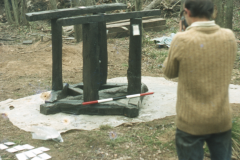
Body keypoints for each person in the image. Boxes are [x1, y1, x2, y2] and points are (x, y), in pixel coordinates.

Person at [162, 0, 237, 159]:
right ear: (213, 12)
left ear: (186, 12)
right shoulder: (229, 37)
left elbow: (169, 72)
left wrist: (177, 41)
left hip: (190, 122)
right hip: (221, 119)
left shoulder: (181, 40)